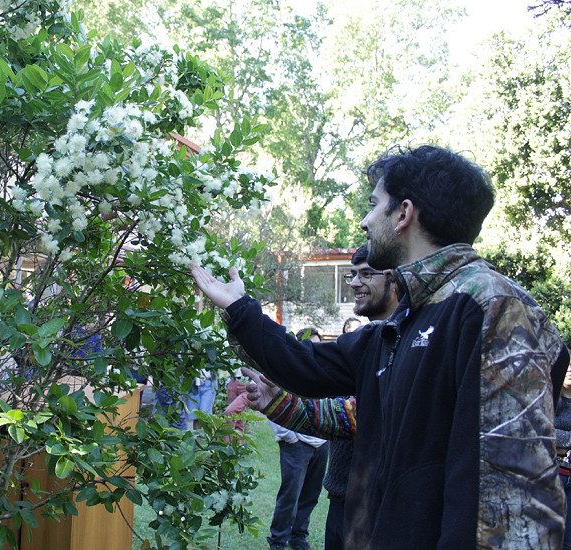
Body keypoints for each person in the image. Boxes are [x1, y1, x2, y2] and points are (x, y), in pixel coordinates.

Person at [190, 145, 571, 548]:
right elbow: (306, 366)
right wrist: (239, 308)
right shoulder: (402, 320)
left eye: (374, 205)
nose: (364, 220)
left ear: (403, 214)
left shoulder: (491, 308)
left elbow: (507, 500)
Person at [260, 245, 400, 550]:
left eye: (366, 274)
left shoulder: (405, 342)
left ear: (394, 278)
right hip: (341, 494)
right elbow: (303, 364)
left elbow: (351, 415)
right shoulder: (363, 342)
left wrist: (279, 403)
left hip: (378, 502)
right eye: (353, 274)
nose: (354, 283)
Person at [266, 327, 327, 550]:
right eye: (310, 344)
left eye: (318, 345)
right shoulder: (289, 370)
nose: (314, 349)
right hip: (296, 444)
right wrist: (288, 436)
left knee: (311, 494)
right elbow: (273, 402)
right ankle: (278, 540)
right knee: (290, 495)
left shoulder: (324, 371)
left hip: (322, 442)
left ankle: (298, 536)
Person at [556, 365, 571, 550]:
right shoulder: (550, 399)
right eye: (567, 366)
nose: (570, 371)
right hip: (552, 475)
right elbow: (545, 433)